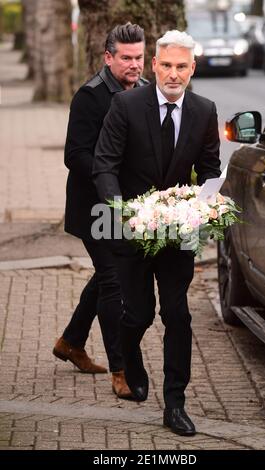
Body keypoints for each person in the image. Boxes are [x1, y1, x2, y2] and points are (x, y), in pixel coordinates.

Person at [92, 30, 221, 435]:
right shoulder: (126, 105)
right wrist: (121, 212)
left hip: (178, 231)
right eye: (166, 65)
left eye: (181, 66)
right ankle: (129, 353)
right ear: (154, 66)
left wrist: (205, 203)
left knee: (177, 314)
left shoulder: (204, 110)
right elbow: (104, 165)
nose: (173, 73)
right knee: (140, 314)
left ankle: (175, 402)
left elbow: (212, 167)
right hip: (132, 229)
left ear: (192, 69)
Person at [53, 23, 148, 399]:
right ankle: (120, 369)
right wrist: (111, 179)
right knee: (114, 282)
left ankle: (71, 342)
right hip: (94, 208)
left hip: (127, 208)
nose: (134, 65)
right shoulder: (90, 96)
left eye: (139, 57)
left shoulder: (144, 93)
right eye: (126, 58)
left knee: (108, 277)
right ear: (108, 58)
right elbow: (74, 155)